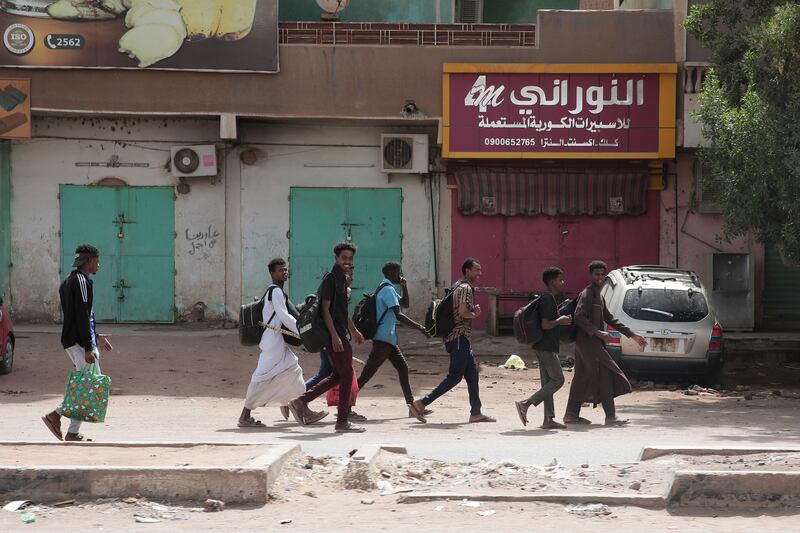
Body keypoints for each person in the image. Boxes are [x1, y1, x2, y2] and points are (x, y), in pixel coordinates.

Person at [238, 258, 327, 428]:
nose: (284, 273)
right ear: (272, 273)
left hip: (275, 342)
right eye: (280, 270)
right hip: (272, 343)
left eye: (285, 270)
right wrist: (302, 332)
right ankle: (245, 415)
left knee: (294, 370)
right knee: (261, 378)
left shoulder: (276, 291)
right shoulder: (275, 292)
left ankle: (299, 407)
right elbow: (284, 315)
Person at [289, 242, 366, 433]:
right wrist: (334, 336)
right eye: (344, 258)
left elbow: (341, 311)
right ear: (336, 259)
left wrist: (354, 330)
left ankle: (301, 401)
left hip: (341, 332)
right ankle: (342, 421)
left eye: (350, 259)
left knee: (337, 375)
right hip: (335, 334)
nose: (347, 262)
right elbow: (325, 310)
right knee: (346, 374)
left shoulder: (341, 279)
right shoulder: (331, 279)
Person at [41, 244, 113, 442]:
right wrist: (89, 346)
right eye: (97, 260)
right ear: (89, 261)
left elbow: (82, 316)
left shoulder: (68, 281)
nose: (98, 264)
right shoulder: (81, 282)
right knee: (88, 384)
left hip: (76, 340)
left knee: (86, 383)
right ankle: (56, 415)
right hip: (79, 342)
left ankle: (72, 431)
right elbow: (82, 315)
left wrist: (96, 336)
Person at [409, 258, 495, 423]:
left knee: (472, 374)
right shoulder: (465, 288)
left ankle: (476, 412)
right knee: (455, 376)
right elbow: (463, 312)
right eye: (476, 270)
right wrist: (475, 314)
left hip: (457, 338)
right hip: (458, 338)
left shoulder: (456, 285)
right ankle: (420, 403)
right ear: (467, 271)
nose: (479, 273)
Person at [563, 260, 647, 426]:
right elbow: (579, 316)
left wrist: (632, 335)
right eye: (597, 274)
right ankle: (610, 417)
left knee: (581, 377)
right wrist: (598, 332)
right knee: (607, 374)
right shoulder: (587, 294)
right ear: (591, 275)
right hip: (587, 342)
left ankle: (571, 415)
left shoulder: (599, 295)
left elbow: (610, 318)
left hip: (591, 343)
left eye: (602, 274)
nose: (600, 277)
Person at [356, 262, 431, 422]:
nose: (400, 275)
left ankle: (412, 406)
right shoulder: (388, 289)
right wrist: (419, 327)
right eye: (398, 272)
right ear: (391, 273)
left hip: (389, 340)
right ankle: (345, 407)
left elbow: (405, 304)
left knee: (403, 368)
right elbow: (399, 314)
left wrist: (404, 286)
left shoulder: (386, 287)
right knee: (366, 375)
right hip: (383, 340)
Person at [514, 267, 572, 429]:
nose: (563, 282)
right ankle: (525, 404)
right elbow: (545, 325)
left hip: (542, 345)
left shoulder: (549, 299)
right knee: (558, 380)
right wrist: (561, 320)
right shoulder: (547, 299)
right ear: (552, 282)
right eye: (561, 280)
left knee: (548, 383)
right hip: (545, 346)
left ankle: (548, 419)